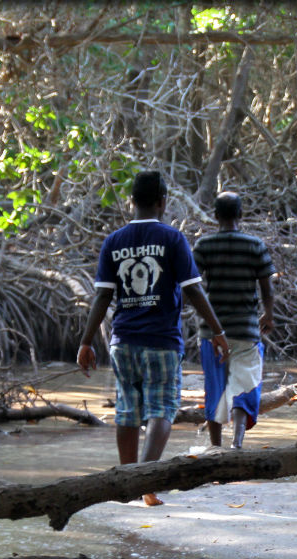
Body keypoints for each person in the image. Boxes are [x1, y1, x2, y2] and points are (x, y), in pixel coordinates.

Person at [77, 170, 230, 506]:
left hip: (123, 339)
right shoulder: (173, 239)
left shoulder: (113, 242)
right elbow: (194, 291)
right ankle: (146, 482)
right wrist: (217, 331)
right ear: (163, 201)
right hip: (161, 339)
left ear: (132, 201)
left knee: (127, 410)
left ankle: (126, 481)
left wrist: (86, 341)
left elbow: (102, 297)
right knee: (162, 408)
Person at [192, 191, 276, 449]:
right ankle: (236, 444)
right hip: (246, 330)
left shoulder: (203, 246)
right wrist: (268, 313)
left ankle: (216, 448)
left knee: (215, 388)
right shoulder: (255, 245)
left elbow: (192, 286)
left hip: (212, 332)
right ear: (241, 215)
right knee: (245, 387)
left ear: (215, 216)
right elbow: (266, 285)